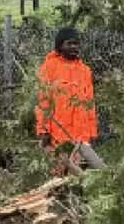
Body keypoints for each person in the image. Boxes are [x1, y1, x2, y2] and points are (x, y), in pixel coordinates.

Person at [34, 27, 97, 175]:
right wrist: (43, 130)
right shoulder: (48, 67)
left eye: (76, 43)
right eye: (70, 43)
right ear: (60, 46)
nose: (74, 47)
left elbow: (90, 103)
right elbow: (43, 101)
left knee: (78, 176)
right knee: (58, 175)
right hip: (57, 134)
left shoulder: (85, 71)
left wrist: (92, 133)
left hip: (80, 135)